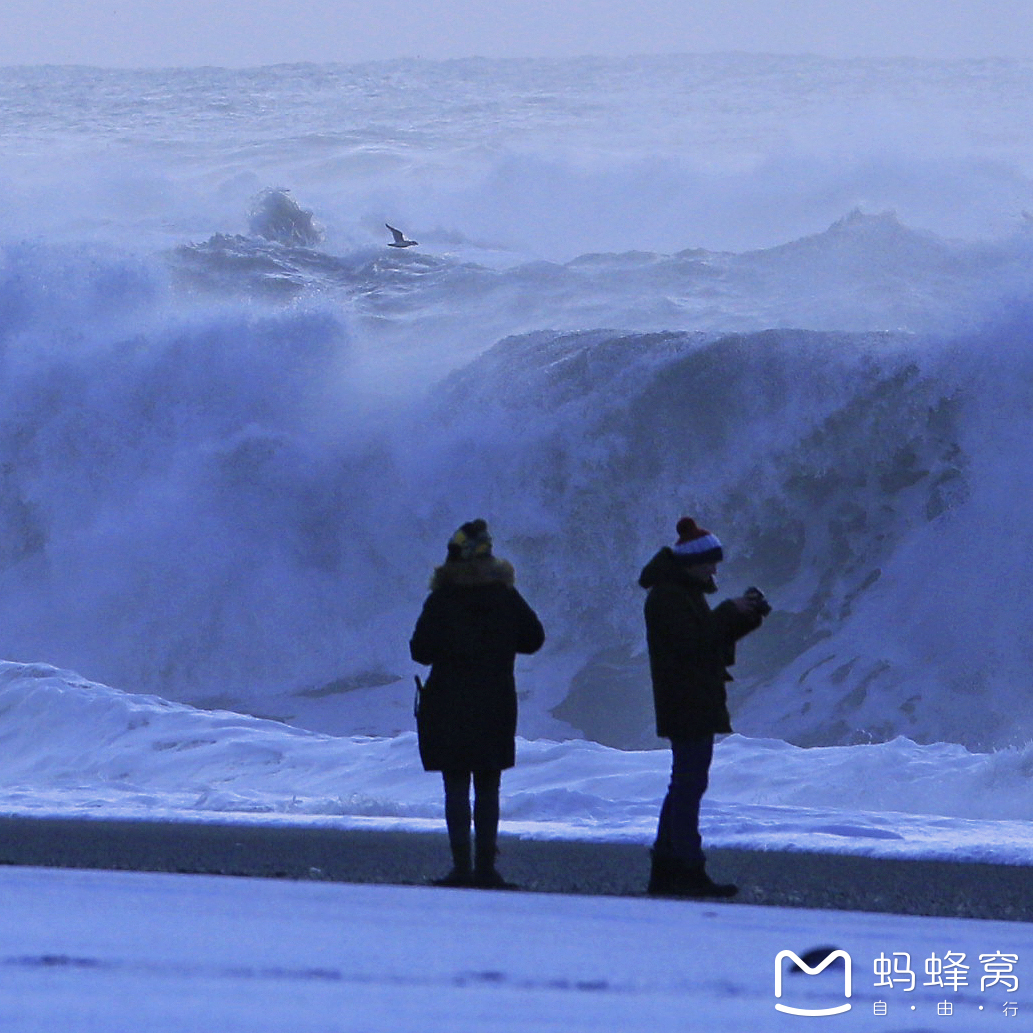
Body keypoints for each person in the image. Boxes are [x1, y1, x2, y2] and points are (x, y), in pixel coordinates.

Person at [410, 519, 544, 888]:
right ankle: (486, 868)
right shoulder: (505, 595)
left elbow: (419, 651)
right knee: (488, 785)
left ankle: (460, 868)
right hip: (494, 701)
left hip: (449, 702)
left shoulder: (442, 598)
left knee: (455, 784)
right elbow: (534, 639)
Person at [639, 516, 768, 898]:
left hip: (693, 698)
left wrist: (746, 618)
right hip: (685, 700)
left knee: (685, 784)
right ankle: (687, 868)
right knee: (689, 785)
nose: (714, 569)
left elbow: (707, 641)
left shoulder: (683, 593)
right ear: (690, 563)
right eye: (709, 562)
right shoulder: (666, 596)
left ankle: (666, 867)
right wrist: (729, 613)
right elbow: (690, 646)